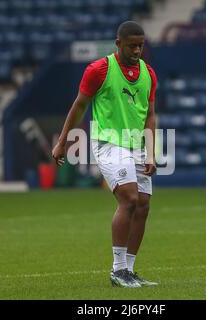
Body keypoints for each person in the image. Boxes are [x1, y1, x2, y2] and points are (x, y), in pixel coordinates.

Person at [52, 21, 158, 288]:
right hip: (109, 143)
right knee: (130, 199)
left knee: (143, 205)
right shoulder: (99, 70)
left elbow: (150, 115)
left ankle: (130, 271)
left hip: (136, 146)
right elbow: (79, 106)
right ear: (118, 43)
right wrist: (63, 141)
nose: (137, 50)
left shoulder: (149, 74)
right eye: (132, 45)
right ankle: (117, 270)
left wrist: (151, 153)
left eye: (141, 46)